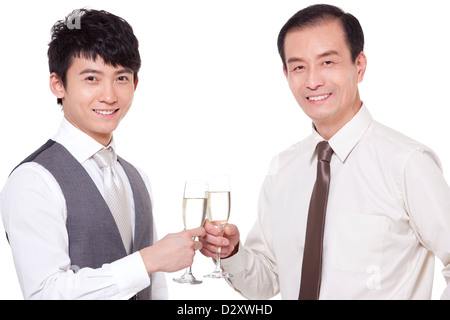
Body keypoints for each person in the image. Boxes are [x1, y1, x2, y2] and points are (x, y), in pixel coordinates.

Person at [200, 4, 450, 299]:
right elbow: (266, 282)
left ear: (359, 65)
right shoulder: (283, 169)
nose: (313, 81)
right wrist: (232, 253)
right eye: (299, 67)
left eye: (327, 62)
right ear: (286, 74)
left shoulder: (407, 164)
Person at [0, 8, 205, 300]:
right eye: (92, 79)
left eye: (121, 78)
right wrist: (148, 260)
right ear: (58, 84)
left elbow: (155, 288)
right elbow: (45, 293)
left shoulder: (136, 178)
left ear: (135, 84)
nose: (109, 96)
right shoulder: (33, 181)